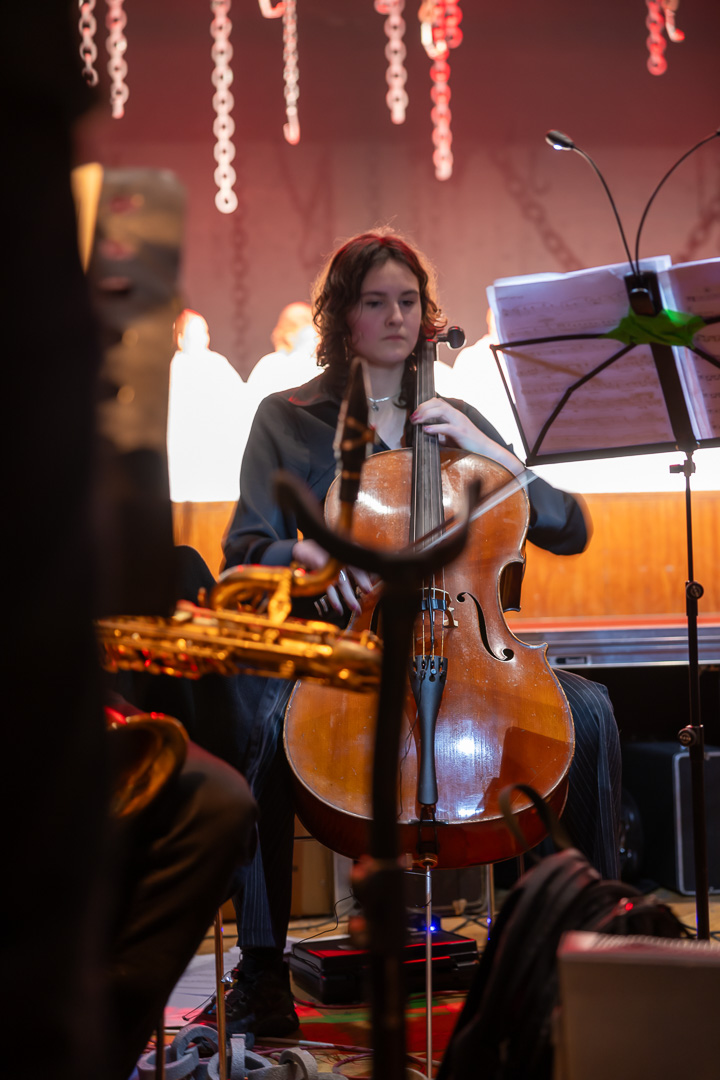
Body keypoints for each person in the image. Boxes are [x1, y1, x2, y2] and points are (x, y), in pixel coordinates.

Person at [217, 229, 621, 1035]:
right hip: (344, 653)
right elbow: (244, 548)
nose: (397, 317)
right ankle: (261, 969)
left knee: (592, 712)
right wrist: (308, 552)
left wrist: (485, 449)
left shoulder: (457, 417)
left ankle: (593, 947)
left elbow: (568, 527)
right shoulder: (287, 418)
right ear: (342, 316)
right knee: (259, 718)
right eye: (376, 302)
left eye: (408, 301)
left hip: (473, 651)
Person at [167, 309, 247, 502]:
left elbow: (239, 403)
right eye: (194, 333)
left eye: (204, 332)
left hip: (215, 454)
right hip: (184, 454)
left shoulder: (217, 364)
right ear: (180, 338)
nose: (201, 338)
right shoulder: (174, 367)